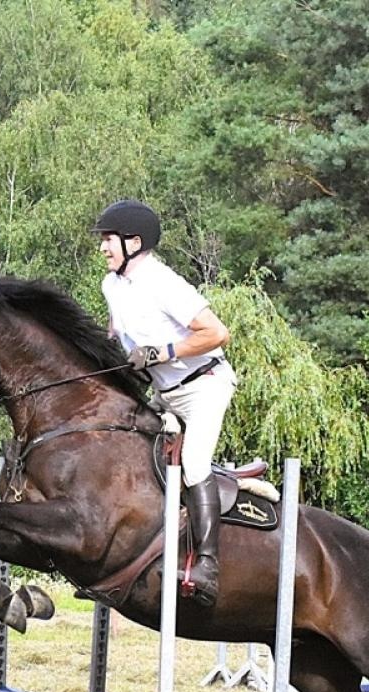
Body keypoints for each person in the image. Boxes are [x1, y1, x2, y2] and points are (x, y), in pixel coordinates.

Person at [92, 198, 237, 607]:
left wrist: (161, 352)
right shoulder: (112, 285)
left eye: (108, 240)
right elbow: (117, 334)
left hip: (203, 385)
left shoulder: (163, 283)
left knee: (193, 465)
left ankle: (208, 565)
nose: (103, 248)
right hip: (164, 395)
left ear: (134, 242)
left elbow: (217, 333)